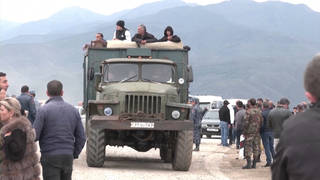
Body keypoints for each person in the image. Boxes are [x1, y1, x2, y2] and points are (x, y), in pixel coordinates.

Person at [272, 54, 320, 180]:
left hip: (277, 135)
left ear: (309, 96)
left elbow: (279, 174)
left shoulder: (294, 127)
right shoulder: (290, 117)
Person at [33, 80, 86, 180]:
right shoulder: (73, 110)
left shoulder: (43, 110)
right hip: (67, 156)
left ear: (47, 93)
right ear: (62, 93)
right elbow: (82, 137)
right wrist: (74, 153)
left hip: (50, 156)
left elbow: (35, 136)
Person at [0, 97, 41, 179]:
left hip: (18, 175)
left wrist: (7, 139)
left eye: (1, 110)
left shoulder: (17, 129)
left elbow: (16, 153)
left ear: (11, 112)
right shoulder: (9, 127)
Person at [242, 98, 263, 169]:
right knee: (256, 147)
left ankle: (248, 164)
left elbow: (245, 123)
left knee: (248, 147)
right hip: (257, 132)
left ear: (250, 103)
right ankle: (254, 164)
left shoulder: (248, 112)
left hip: (249, 132)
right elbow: (261, 121)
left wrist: (244, 132)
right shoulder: (259, 111)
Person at [260, 101, 275, 167]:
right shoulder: (273, 112)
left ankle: (269, 161)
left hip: (265, 132)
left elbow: (262, 124)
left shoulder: (262, 114)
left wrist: (260, 130)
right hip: (272, 131)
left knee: (266, 147)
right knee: (271, 147)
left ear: (263, 106)